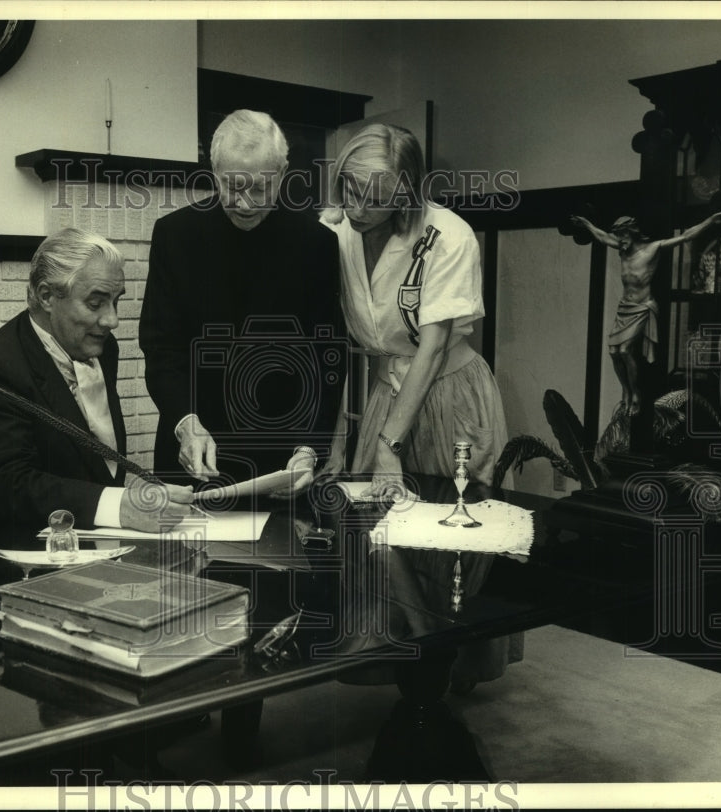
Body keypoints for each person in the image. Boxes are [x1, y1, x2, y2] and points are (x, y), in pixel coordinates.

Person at [321, 123, 515, 698]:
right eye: (349, 189)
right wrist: (339, 439)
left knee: (448, 533)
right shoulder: (335, 230)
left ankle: (448, 667)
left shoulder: (448, 235)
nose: (357, 206)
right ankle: (410, 654)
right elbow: (337, 338)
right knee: (380, 529)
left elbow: (431, 347)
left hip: (452, 394)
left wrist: (387, 445)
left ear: (405, 193)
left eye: (373, 197)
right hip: (386, 391)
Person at [0, 228, 193, 605]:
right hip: (17, 585)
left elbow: (90, 462)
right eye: (96, 303)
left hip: (93, 566)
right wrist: (120, 504)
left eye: (116, 301)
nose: (112, 321)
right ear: (47, 296)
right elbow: (4, 486)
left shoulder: (101, 347)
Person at [139, 109, 347, 493]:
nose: (245, 203)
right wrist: (185, 422)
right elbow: (160, 348)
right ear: (214, 172)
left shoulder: (316, 243)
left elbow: (327, 353)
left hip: (281, 457)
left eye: (259, 188)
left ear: (282, 174)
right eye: (232, 186)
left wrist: (308, 448)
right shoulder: (175, 235)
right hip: (192, 450)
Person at [570, 211, 721, 415]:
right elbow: (602, 236)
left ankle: (635, 393)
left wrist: (710, 220)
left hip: (641, 307)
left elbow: (685, 236)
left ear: (631, 233)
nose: (619, 242)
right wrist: (586, 222)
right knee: (613, 352)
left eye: (622, 236)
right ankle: (626, 390)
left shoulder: (652, 249)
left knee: (625, 350)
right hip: (624, 308)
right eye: (618, 237)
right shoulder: (623, 249)